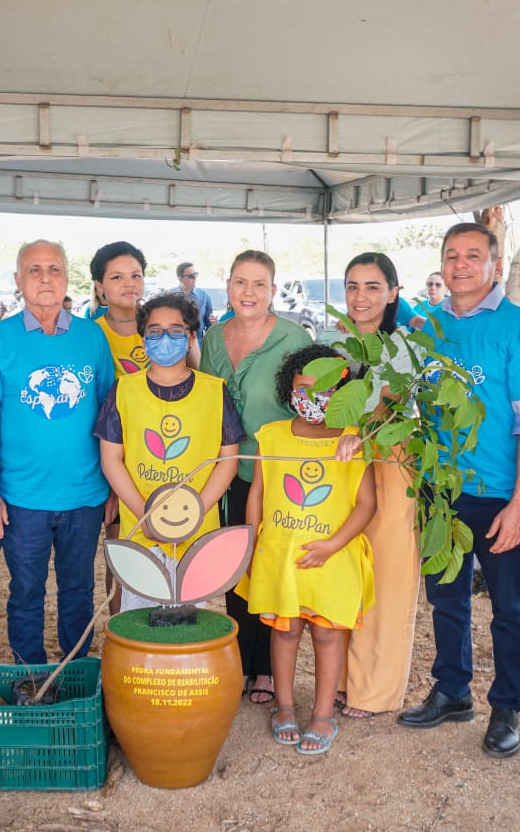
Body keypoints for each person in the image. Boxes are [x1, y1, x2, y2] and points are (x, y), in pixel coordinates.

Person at [397, 222, 520, 760]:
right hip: (440, 490)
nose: (459, 264)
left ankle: (507, 704)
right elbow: (407, 402)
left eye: (472, 255)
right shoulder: (430, 328)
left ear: (493, 263)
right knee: (446, 597)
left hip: (500, 492)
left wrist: (519, 505)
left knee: (509, 605)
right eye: (450, 255)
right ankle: (452, 690)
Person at [0, 240, 115, 665]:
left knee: (78, 590)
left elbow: (111, 418)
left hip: (85, 495)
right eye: (34, 270)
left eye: (54, 268)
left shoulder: (91, 337)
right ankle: (30, 676)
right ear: (18, 280)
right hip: (20, 497)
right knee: (26, 591)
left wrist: (113, 488)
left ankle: (72, 673)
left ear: (68, 278)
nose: (45, 277)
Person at [240, 345, 376, 755]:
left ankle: (322, 715)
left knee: (327, 635)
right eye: (304, 388)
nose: (314, 398)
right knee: (284, 634)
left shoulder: (354, 442)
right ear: (290, 388)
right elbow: (257, 495)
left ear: (345, 392)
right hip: (281, 556)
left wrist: (333, 545)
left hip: (332, 559)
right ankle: (283, 707)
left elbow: (367, 504)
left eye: (327, 390)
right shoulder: (273, 436)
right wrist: (249, 542)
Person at [198, 249, 310, 704]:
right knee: (233, 566)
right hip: (228, 471)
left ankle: (265, 667)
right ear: (227, 286)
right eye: (241, 282)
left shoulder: (293, 336)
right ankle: (240, 660)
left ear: (272, 290)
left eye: (259, 284)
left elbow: (311, 400)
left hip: (277, 471)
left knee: (270, 566)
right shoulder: (212, 337)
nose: (249, 292)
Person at [95, 292, 243, 610]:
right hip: (140, 528)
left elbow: (228, 460)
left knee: (189, 616)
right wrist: (144, 516)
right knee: (139, 610)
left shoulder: (215, 391)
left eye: (176, 331)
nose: (165, 338)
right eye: (154, 331)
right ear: (143, 337)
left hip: (196, 530)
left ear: (191, 337)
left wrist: (193, 513)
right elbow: (111, 459)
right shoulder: (124, 391)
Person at [335, 252, 420, 719]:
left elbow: (396, 409)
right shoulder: (340, 346)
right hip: (348, 465)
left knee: (386, 578)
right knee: (351, 573)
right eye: (352, 286)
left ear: (392, 293)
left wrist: (360, 430)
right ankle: (346, 679)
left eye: (372, 287)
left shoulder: (404, 346)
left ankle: (376, 690)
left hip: (391, 462)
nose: (361, 296)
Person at [92, 241, 149, 379]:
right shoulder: (92, 333)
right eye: (117, 277)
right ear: (100, 286)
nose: (130, 283)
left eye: (136, 276)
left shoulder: (169, 322)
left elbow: (199, 376)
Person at [175, 261, 215, 339]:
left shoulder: (204, 296)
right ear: (180, 278)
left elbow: (209, 324)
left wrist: (214, 323)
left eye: (195, 275)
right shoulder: (170, 295)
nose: (195, 278)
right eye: (191, 276)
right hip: (175, 345)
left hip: (198, 344)